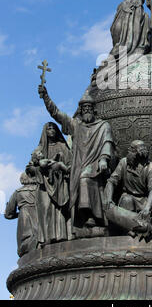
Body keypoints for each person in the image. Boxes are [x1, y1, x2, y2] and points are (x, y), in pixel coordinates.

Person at [38, 85, 115, 234]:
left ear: (94, 110)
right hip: (80, 165)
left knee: (85, 178)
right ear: (80, 111)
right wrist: (46, 97)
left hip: (97, 165)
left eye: (89, 107)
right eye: (84, 108)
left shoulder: (103, 126)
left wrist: (104, 159)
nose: (87, 110)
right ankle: (83, 219)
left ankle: (93, 217)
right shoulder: (76, 126)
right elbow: (57, 114)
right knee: (81, 176)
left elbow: (107, 142)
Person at [104, 140, 152, 232]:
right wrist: (108, 198)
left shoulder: (151, 167)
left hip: (143, 201)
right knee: (127, 199)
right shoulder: (124, 162)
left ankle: (141, 228)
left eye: (131, 150)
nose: (128, 152)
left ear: (137, 153)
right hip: (127, 198)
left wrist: (147, 208)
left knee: (144, 222)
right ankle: (127, 232)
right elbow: (111, 181)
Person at [5, 172, 38, 257]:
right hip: (39, 216)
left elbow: (8, 214)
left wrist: (19, 214)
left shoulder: (18, 192)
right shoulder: (40, 190)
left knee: (26, 240)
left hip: (24, 218)